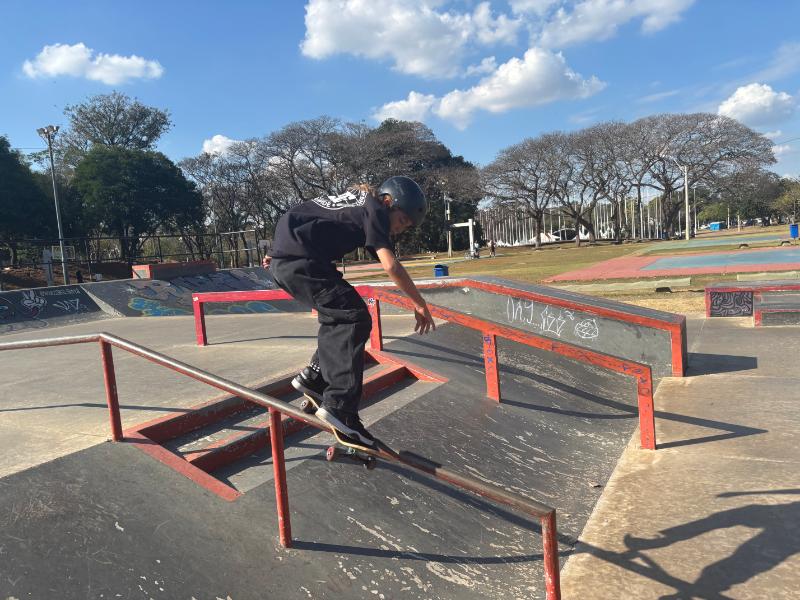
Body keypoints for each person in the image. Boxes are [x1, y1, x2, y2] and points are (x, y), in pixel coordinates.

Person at [269, 176, 436, 447]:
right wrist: (419, 303)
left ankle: (315, 376)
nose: (400, 229)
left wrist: (279, 250)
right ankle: (341, 407)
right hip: (301, 262)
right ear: (389, 202)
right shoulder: (376, 211)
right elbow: (391, 266)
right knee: (354, 317)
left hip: (289, 260)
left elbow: (302, 212)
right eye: (402, 220)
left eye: (406, 227)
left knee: (338, 314)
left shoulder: (359, 205)